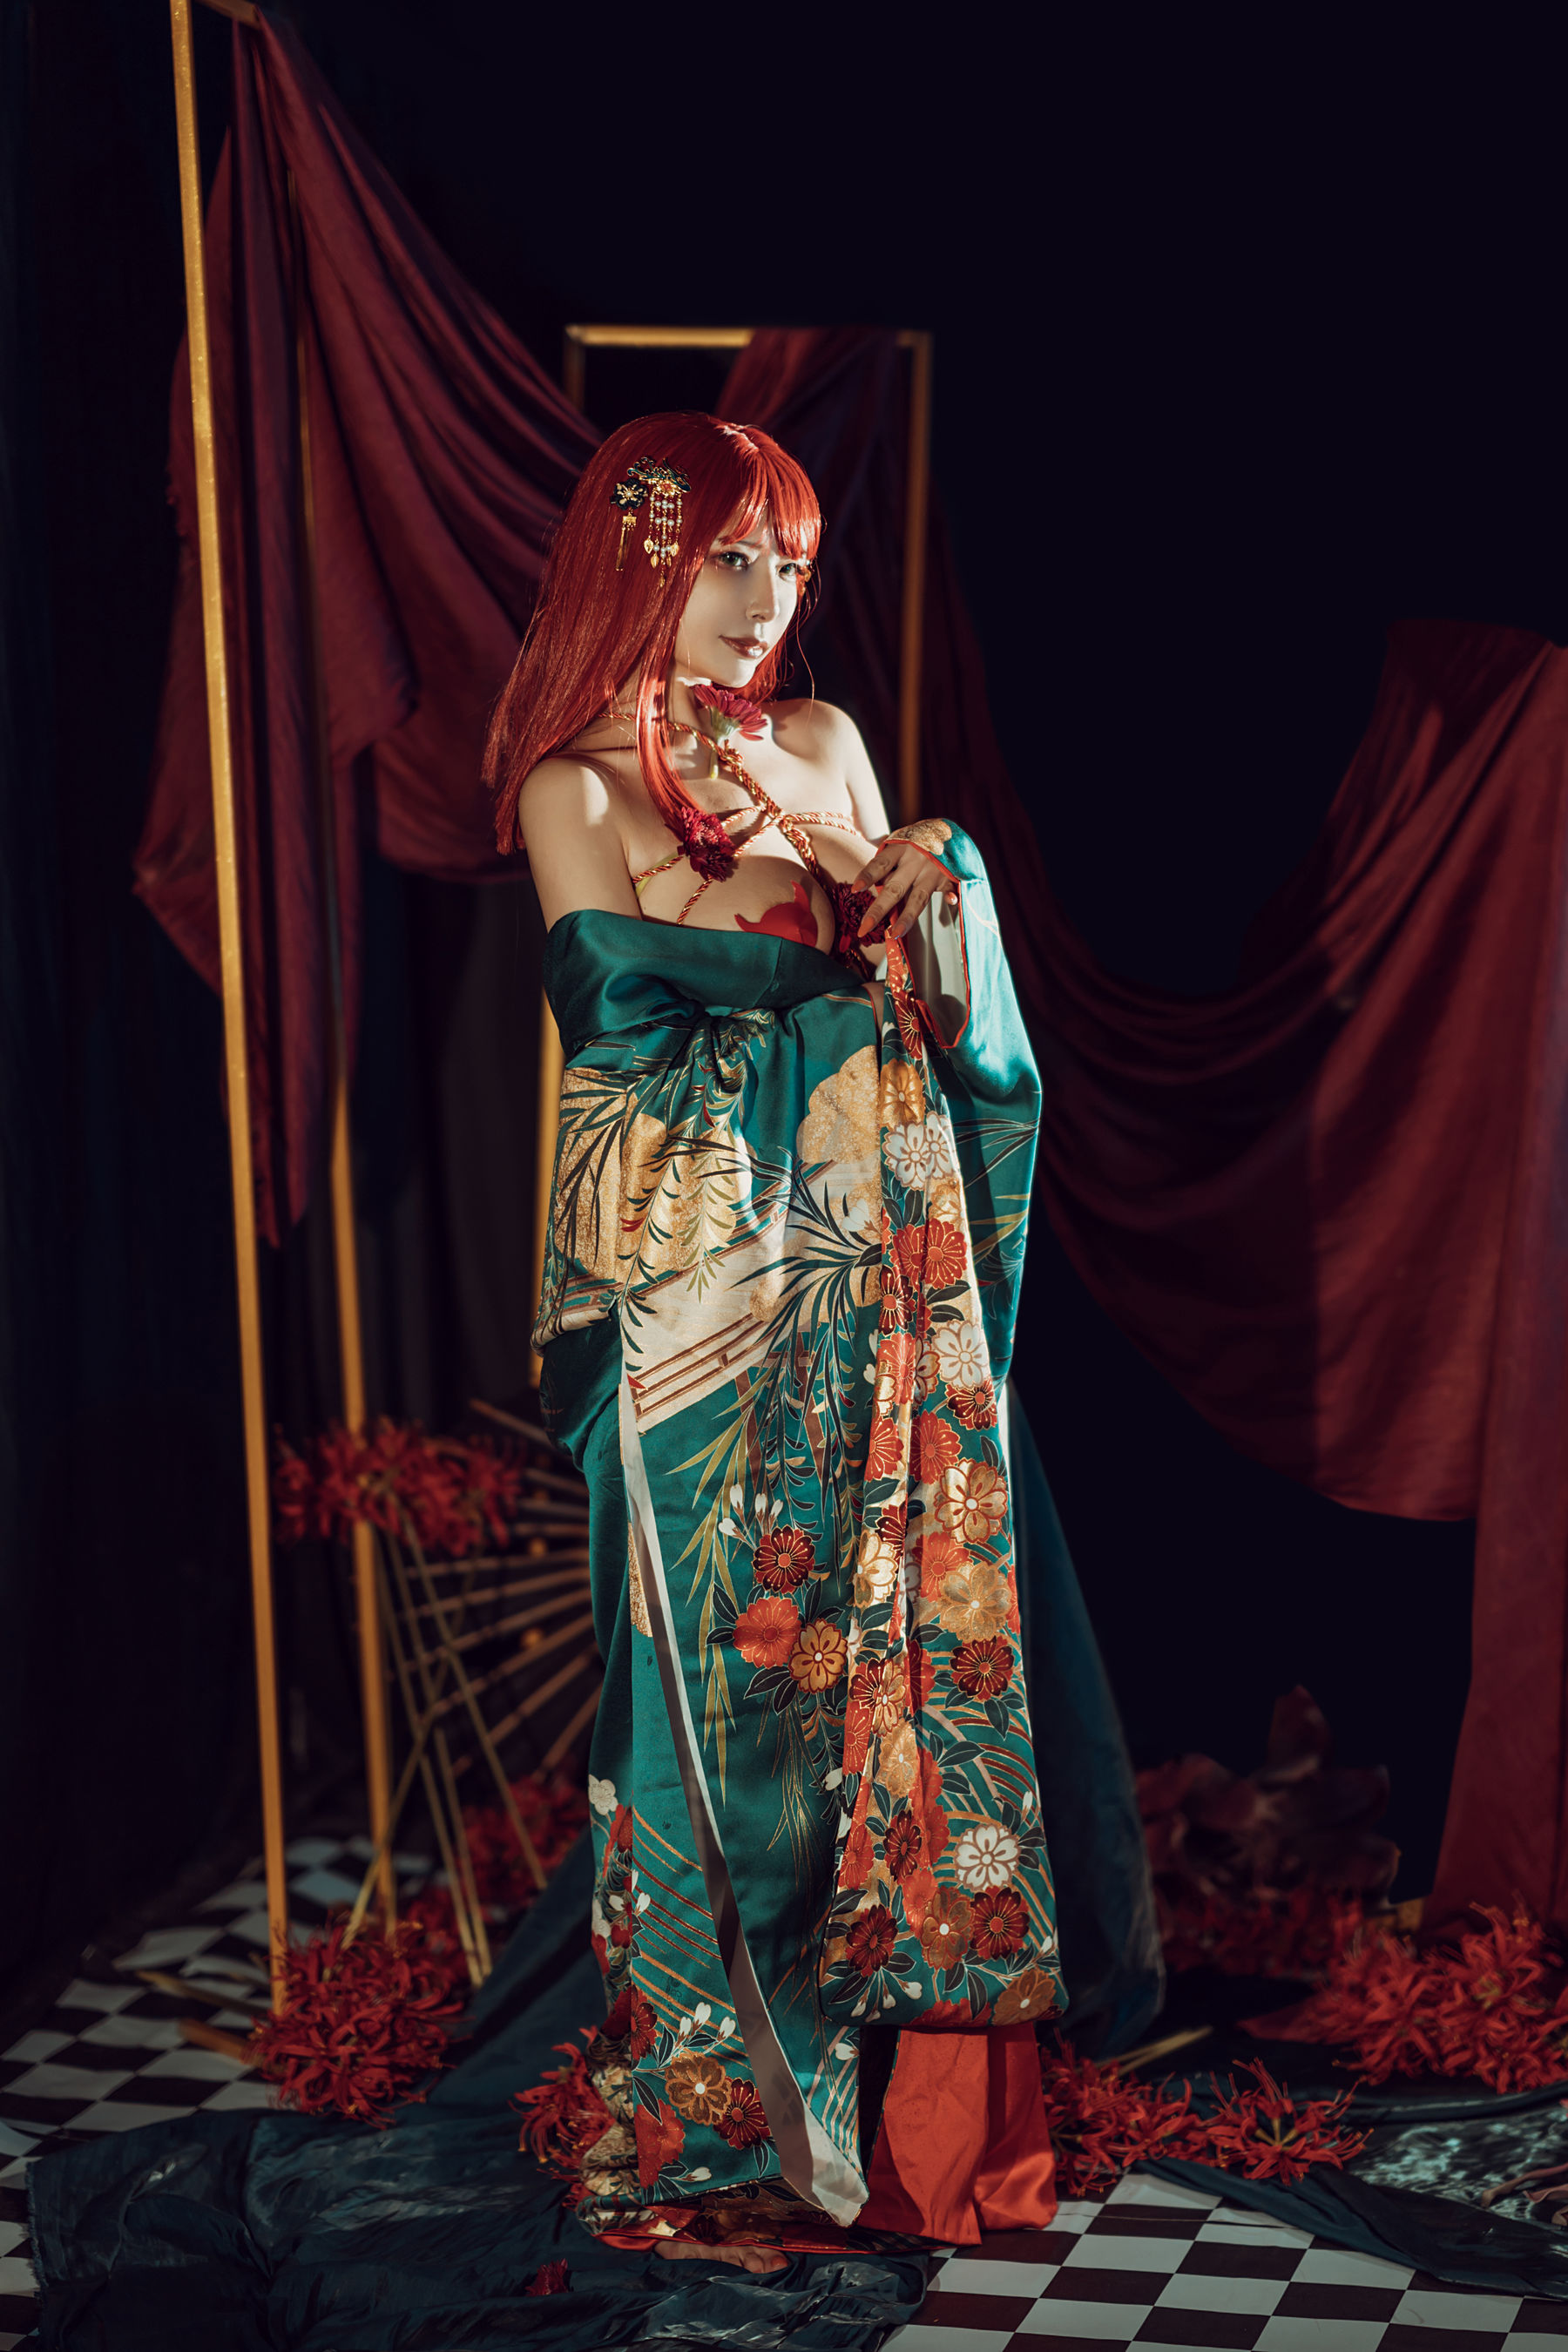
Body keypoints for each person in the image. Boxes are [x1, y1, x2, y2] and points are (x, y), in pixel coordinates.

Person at [484, 412, 1063, 2268]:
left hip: (869, 1296)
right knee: (698, 1720)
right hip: (692, 1324)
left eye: (791, 567)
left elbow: (929, 998)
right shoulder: (570, 789)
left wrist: (936, 886)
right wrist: (822, 944)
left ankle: (900, 2123)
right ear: (637, 554)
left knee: (887, 1678)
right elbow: (632, 1055)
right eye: (730, 559)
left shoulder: (821, 742)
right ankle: (703, 2143)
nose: (764, 604)